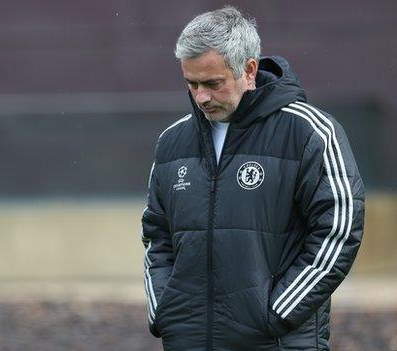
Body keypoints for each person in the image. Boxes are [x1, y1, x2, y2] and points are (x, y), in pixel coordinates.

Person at [141, 6, 364, 350]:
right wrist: (165, 310)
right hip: (188, 339)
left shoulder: (309, 132)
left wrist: (275, 314)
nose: (200, 96)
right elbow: (158, 236)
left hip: (275, 340)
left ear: (248, 70)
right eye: (191, 83)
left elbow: (339, 230)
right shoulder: (172, 142)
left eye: (213, 83)